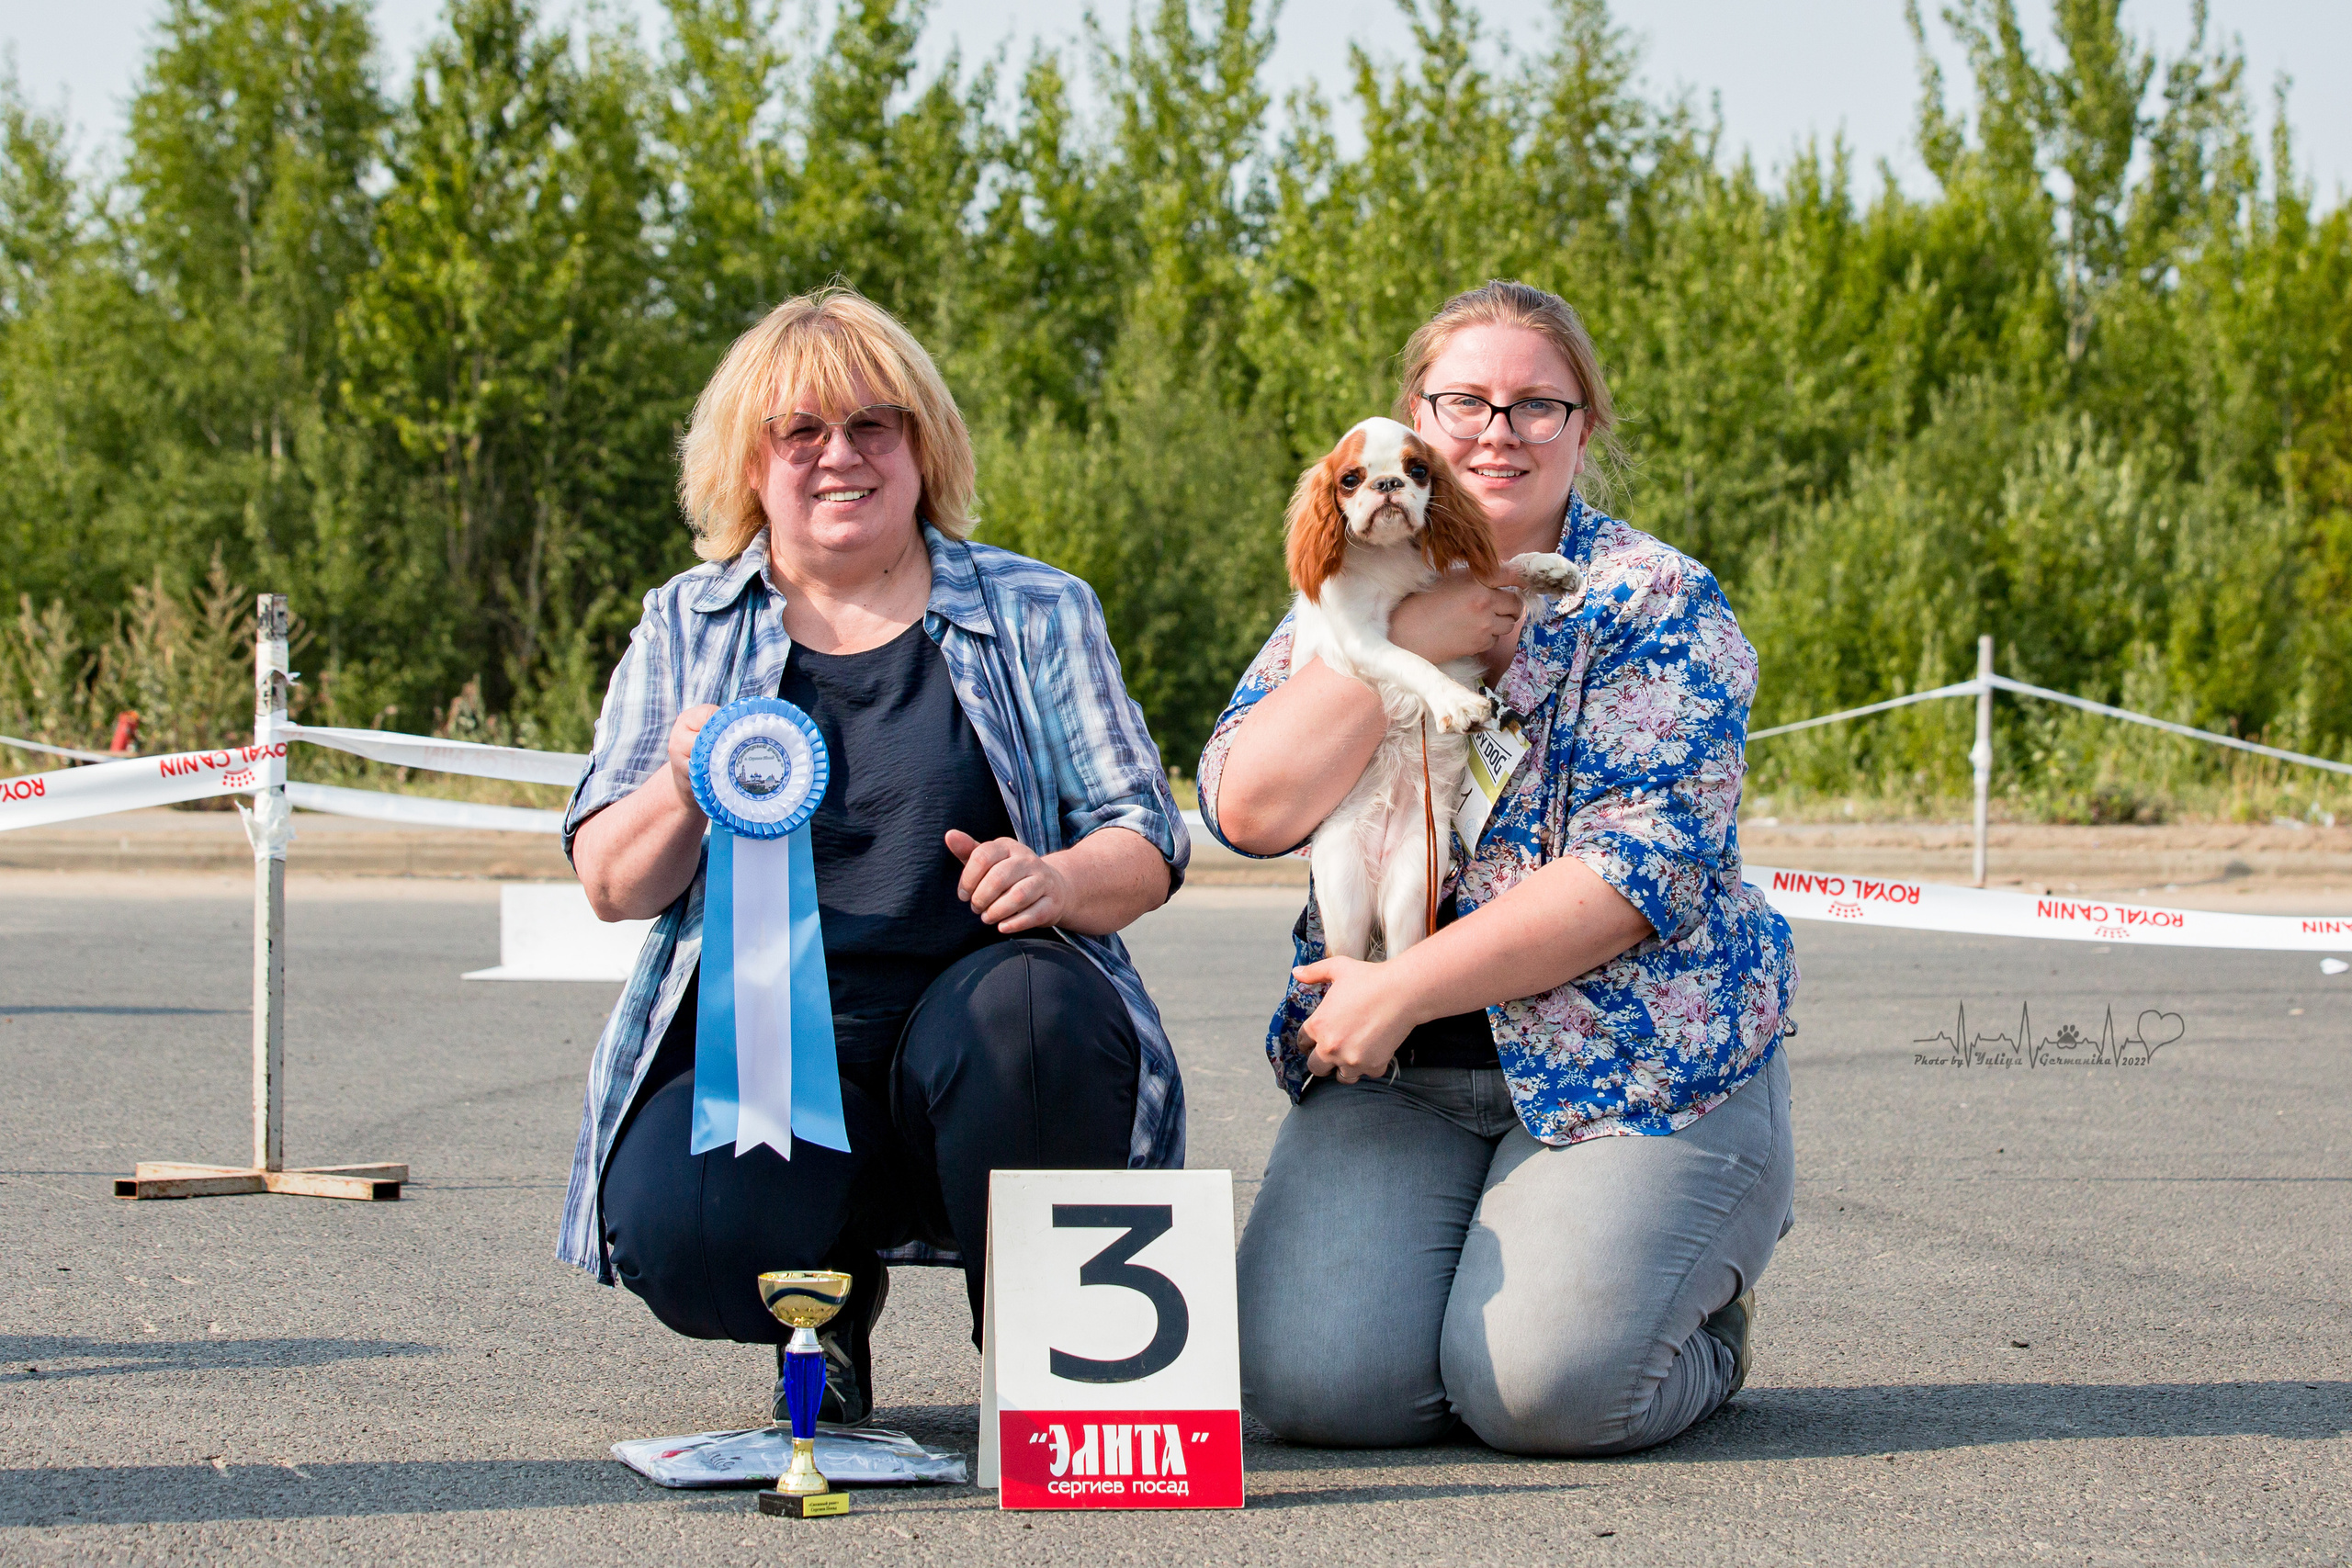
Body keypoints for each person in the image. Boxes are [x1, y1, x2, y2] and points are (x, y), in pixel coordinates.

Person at [556, 286, 1189, 1424]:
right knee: (688, 1240)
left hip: (985, 1036)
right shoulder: (685, 624)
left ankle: (1046, 1367)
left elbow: (1147, 837)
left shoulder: (1040, 608)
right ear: (749, 464)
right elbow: (611, 882)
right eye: (798, 431)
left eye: (871, 427)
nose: (837, 456)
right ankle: (827, 1302)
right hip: (766, 1063)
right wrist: (680, 783)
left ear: (921, 446)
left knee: (1033, 1020)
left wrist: (1056, 879)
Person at [1199, 279, 1798, 1456]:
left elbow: (1639, 871)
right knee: (1317, 1394)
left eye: (1536, 404)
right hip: (1401, 1072)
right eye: (1462, 401)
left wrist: (1402, 988)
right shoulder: (1347, 584)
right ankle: (1479, 1304)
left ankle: (1695, 1331)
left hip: (1631, 1062)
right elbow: (1246, 808)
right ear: (1410, 423)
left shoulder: (1658, 600)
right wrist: (1404, 646)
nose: (1497, 430)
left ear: (1585, 426)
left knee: (1549, 1397)